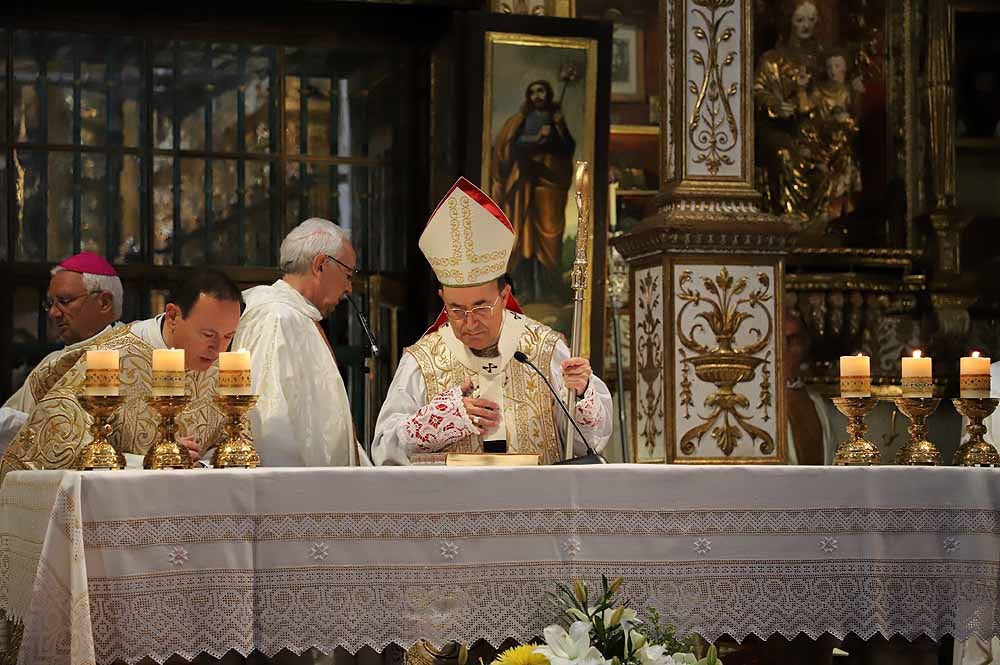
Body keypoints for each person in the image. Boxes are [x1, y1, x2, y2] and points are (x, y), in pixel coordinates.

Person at [371, 177, 612, 465]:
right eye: (456, 309)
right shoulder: (422, 361)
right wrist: (438, 421)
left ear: (504, 295)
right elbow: (383, 450)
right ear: (442, 299)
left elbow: (588, 442)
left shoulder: (544, 350)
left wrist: (581, 393)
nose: (470, 322)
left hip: (537, 493)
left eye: (481, 307)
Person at [0, 270, 244, 484]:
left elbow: (234, 442)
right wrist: (148, 461)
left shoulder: (223, 369)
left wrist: (201, 464)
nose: (218, 349)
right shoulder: (111, 357)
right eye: (208, 335)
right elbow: (58, 444)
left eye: (228, 337)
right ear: (172, 316)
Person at [232, 218, 365, 467]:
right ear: (320, 265)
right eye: (348, 275)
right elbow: (268, 420)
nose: (349, 288)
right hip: (291, 484)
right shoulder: (275, 317)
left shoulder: (298, 316)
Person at [3, 252, 123, 423]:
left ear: (104, 303)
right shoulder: (50, 362)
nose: (53, 313)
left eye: (65, 301)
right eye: (50, 303)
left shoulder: (131, 355)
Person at [490, 79, 575, 301]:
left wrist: (559, 126)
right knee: (525, 238)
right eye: (533, 92)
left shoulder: (556, 119)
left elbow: (567, 149)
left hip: (549, 187)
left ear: (548, 94)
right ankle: (525, 290)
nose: (538, 96)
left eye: (541, 91)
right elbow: (512, 147)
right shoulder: (521, 120)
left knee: (549, 239)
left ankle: (550, 292)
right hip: (526, 185)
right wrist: (536, 138)